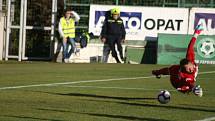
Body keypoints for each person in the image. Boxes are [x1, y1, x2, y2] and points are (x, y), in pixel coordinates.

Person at [152, 24, 204, 97]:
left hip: (179, 74)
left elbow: (190, 46)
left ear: (191, 63)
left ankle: (157, 72)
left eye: (189, 68)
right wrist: (194, 88)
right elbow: (190, 83)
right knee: (185, 86)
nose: (189, 70)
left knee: (170, 70)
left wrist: (196, 33)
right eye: (187, 69)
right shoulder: (185, 75)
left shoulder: (190, 59)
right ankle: (157, 72)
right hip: (177, 83)